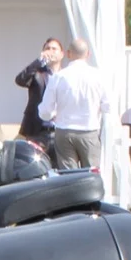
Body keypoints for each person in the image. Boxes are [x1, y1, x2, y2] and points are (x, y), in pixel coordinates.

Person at [37, 38, 110, 169]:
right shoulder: (99, 76)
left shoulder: (58, 77)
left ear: (68, 54)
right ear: (88, 54)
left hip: (64, 131)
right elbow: (108, 106)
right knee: (91, 173)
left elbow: (46, 111)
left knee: (68, 175)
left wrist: (51, 114)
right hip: (89, 130)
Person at [16, 38, 63, 146]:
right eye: (47, 48)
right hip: (37, 129)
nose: (50, 51)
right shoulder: (37, 73)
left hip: (60, 129)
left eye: (54, 49)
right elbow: (20, 80)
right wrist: (39, 61)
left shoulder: (66, 75)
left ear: (61, 54)